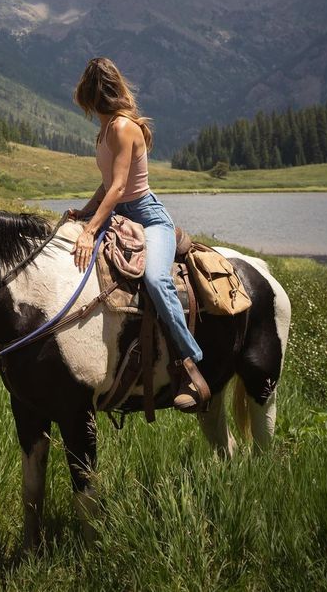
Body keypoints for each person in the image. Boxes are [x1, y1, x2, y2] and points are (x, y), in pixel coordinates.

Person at [69, 56, 210, 412]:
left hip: (149, 219)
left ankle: (191, 364)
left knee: (156, 279)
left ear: (90, 95)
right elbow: (105, 188)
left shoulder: (120, 127)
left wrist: (90, 230)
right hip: (120, 214)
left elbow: (118, 189)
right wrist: (85, 211)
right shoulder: (104, 130)